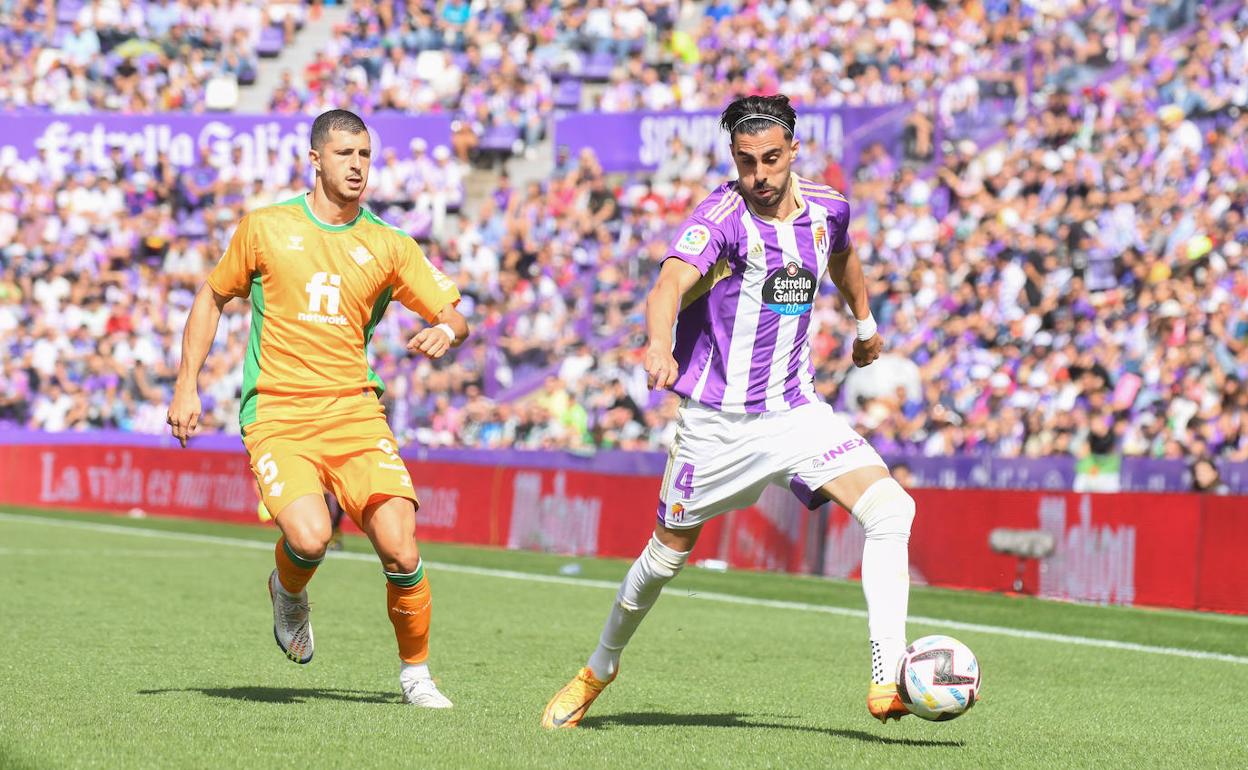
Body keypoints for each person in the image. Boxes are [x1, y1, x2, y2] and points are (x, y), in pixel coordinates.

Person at [541, 94, 916, 728]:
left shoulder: (827, 209)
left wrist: (866, 321)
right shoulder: (722, 217)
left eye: (771, 160)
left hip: (796, 414)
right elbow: (668, 283)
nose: (759, 177)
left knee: (891, 510)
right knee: (663, 559)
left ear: (794, 152)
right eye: (746, 163)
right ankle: (598, 668)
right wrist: (659, 345)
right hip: (716, 426)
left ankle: (888, 676)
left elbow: (843, 256)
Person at [167, 109, 468, 708]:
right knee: (309, 538)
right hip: (278, 412)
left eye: (365, 156)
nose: (357, 166)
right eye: (344, 154)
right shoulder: (265, 227)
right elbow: (213, 295)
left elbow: (453, 312)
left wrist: (448, 331)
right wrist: (186, 384)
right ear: (315, 158)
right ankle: (288, 590)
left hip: (355, 413)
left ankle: (416, 675)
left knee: (401, 547)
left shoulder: (389, 244)